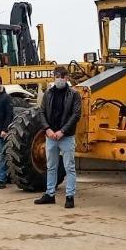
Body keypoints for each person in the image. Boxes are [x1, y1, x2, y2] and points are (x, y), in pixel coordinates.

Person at [34, 66, 81, 208]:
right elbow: (42, 112)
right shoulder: (48, 93)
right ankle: (50, 194)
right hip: (51, 136)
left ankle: (69, 196)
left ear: (67, 78)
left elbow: (76, 115)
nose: (59, 79)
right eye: (57, 77)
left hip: (66, 137)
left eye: (62, 77)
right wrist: (47, 129)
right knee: (51, 167)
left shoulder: (74, 94)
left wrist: (63, 131)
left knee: (69, 167)